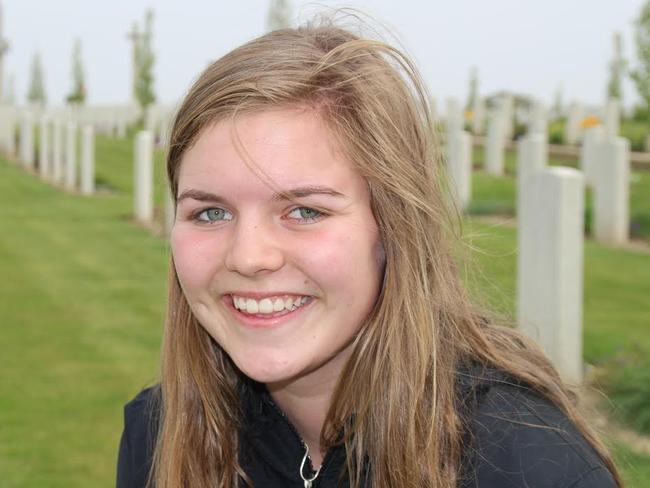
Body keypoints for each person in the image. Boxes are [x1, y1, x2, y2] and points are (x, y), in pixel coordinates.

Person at [116, 19, 621, 488]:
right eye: (210, 213)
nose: (249, 257)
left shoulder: (526, 465)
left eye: (304, 211)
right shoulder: (158, 436)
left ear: (393, 227)